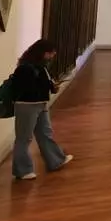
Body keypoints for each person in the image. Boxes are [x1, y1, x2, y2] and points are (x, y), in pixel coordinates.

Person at [11, 39, 73, 181]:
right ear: (43, 52)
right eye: (50, 53)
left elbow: (42, 85)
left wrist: (51, 87)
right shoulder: (25, 68)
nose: (52, 56)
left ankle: (56, 160)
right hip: (27, 106)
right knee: (24, 138)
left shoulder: (40, 67)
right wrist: (47, 86)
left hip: (41, 105)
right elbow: (27, 89)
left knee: (45, 133)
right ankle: (22, 171)